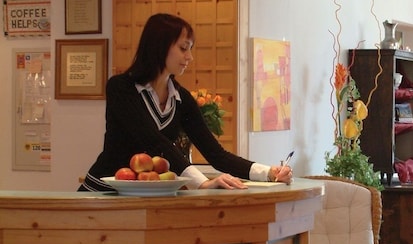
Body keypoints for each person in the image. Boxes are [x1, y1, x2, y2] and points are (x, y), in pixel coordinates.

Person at [80, 12, 293, 192]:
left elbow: (216, 154)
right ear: (159, 47)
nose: (189, 57)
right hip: (104, 192)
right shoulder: (121, 88)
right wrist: (202, 183)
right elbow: (154, 142)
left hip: (149, 196)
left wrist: (268, 172)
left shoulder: (181, 99)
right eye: (183, 48)